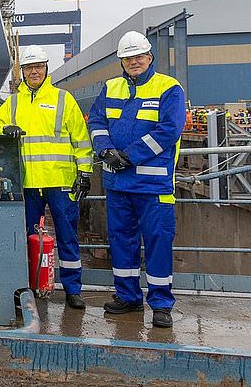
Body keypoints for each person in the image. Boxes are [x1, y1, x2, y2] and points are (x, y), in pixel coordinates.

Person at [88, 30, 187, 329]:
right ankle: (128, 297)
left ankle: (160, 303)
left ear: (149, 57)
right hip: (117, 184)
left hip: (153, 185)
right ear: (121, 61)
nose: (133, 62)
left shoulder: (169, 88)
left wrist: (129, 156)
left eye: (138, 57)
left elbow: (169, 130)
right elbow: (96, 121)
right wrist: (105, 150)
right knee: (121, 241)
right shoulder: (111, 87)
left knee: (157, 242)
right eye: (128, 58)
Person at [0, 45, 93, 311]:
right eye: (29, 68)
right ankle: (29, 285)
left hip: (60, 181)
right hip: (28, 183)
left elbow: (81, 139)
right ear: (22, 72)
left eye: (38, 67)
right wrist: (5, 128)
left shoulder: (63, 99)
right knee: (26, 237)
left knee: (67, 236)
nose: (34, 72)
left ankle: (73, 289)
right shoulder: (13, 102)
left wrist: (85, 172)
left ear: (46, 68)